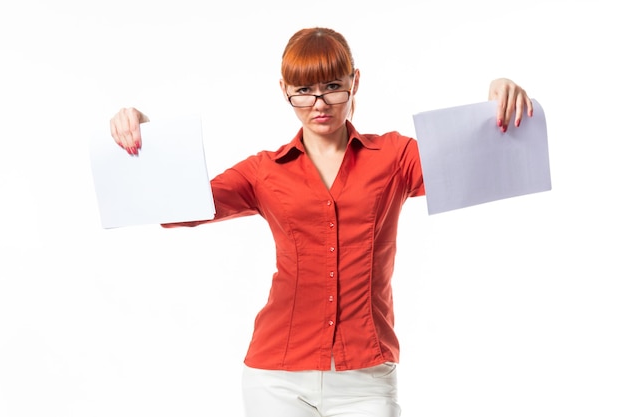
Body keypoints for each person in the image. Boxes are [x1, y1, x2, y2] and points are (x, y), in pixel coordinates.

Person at [109, 27, 532, 417]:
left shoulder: (395, 157)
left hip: (367, 376)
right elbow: (182, 207)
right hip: (276, 377)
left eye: (332, 87)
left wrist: (496, 100)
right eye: (303, 91)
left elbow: (477, 167)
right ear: (284, 91)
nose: (319, 103)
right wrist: (146, 135)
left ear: (354, 82)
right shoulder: (264, 171)